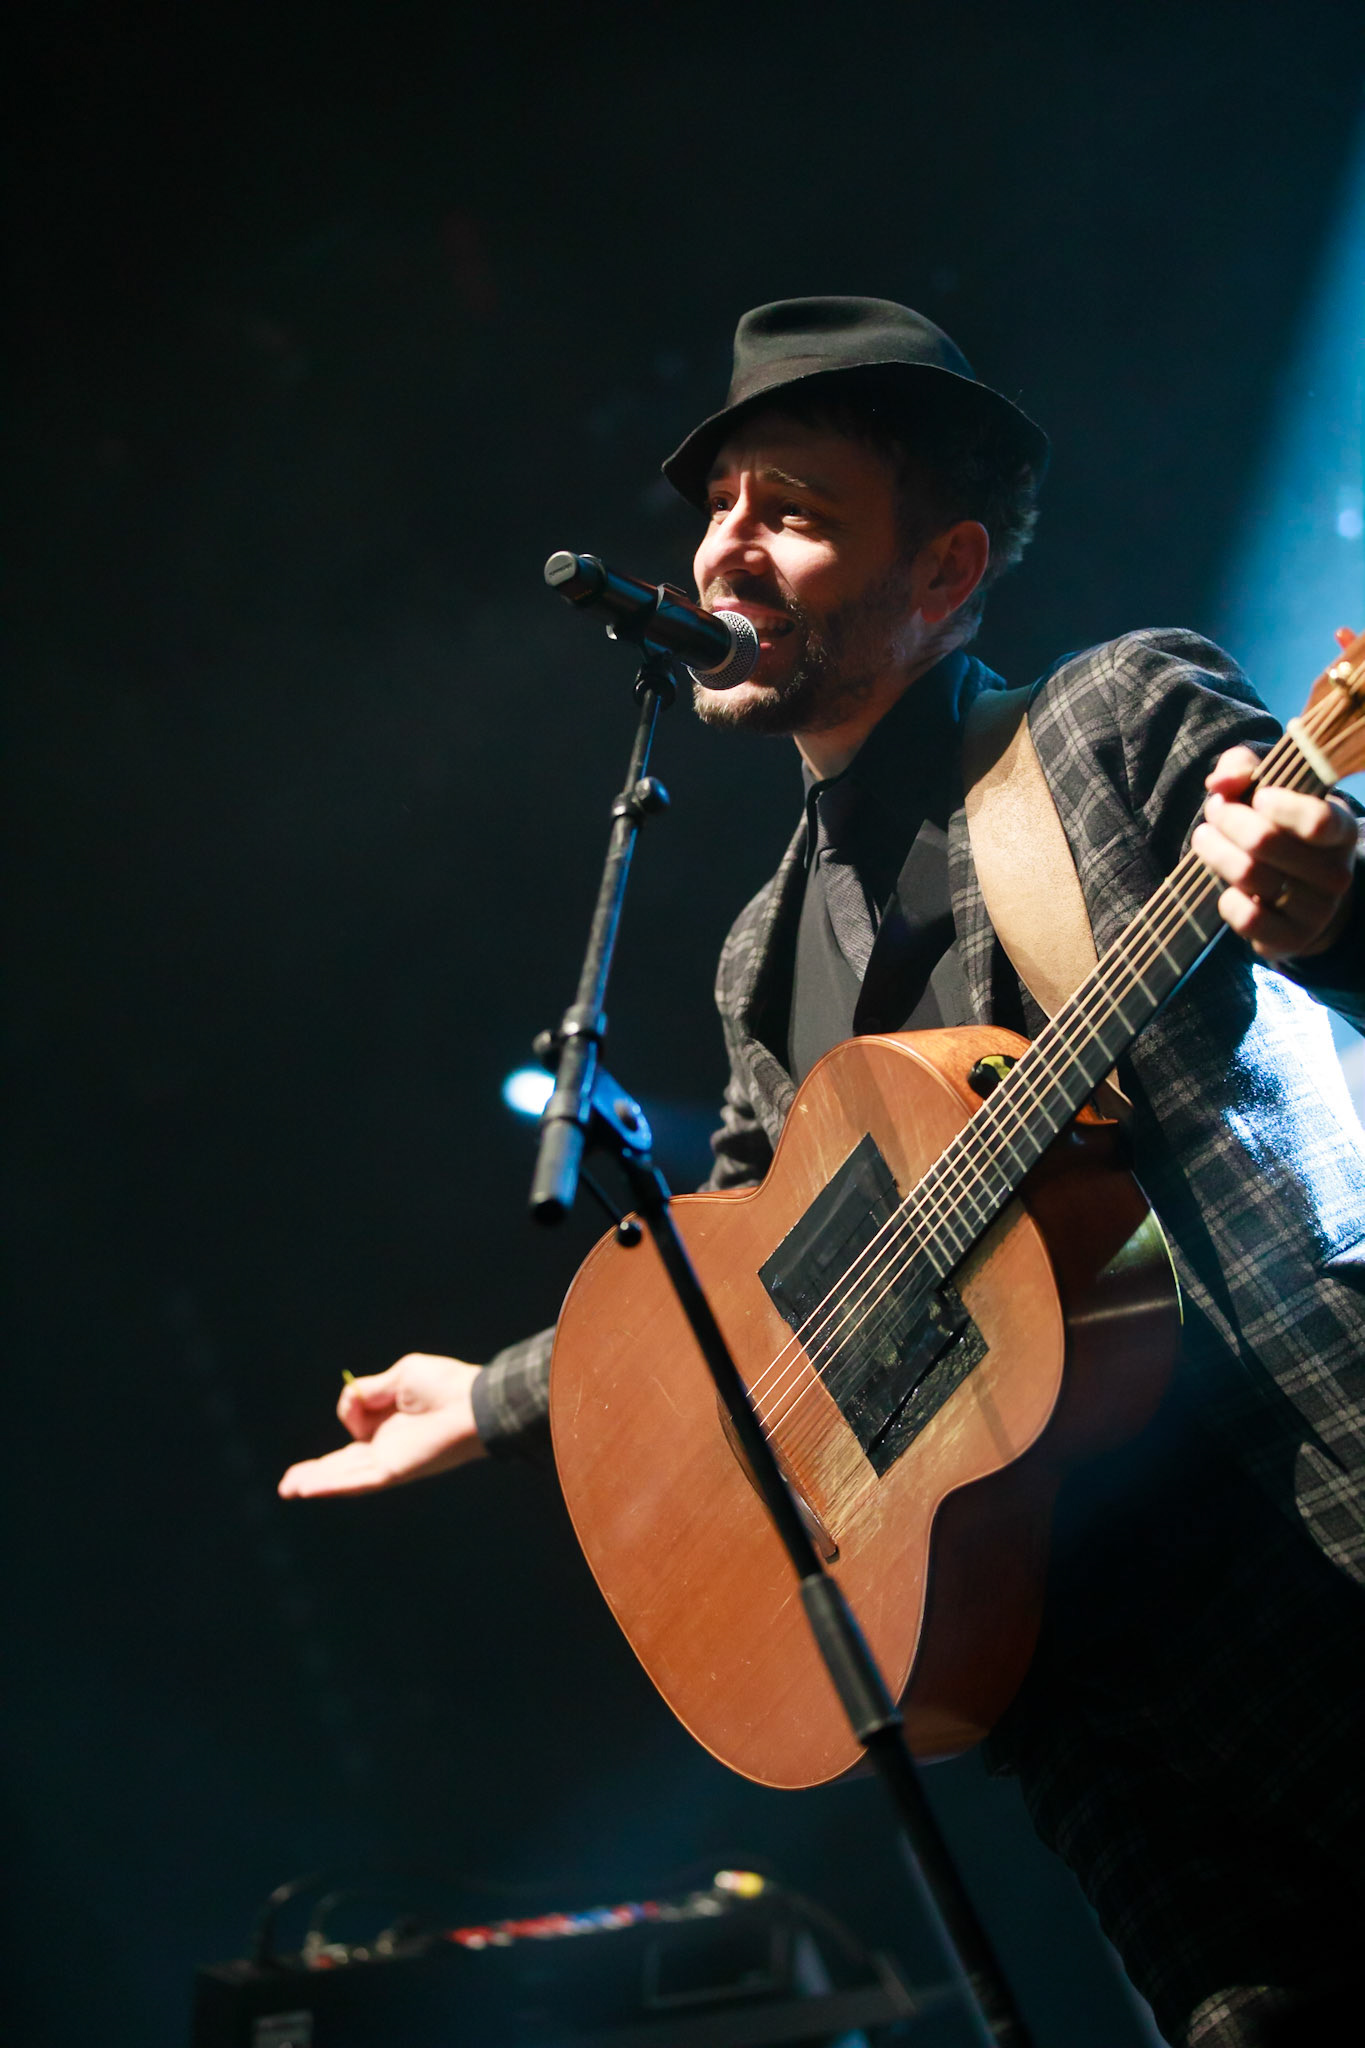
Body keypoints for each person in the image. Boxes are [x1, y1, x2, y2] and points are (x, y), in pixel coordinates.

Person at [278, 300, 1365, 2048]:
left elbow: (1318, 885)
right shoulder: (759, 957)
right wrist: (492, 1396)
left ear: (943, 569)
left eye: (789, 510)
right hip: (1074, 1679)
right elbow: (743, 1296)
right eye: (717, 508)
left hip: (1311, 1541)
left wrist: (1335, 909)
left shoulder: (1104, 723)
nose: (726, 546)